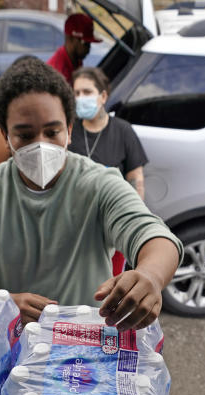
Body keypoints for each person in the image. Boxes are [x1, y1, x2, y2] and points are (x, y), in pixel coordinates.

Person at [0, 58, 182, 331]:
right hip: (12, 337)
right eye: (24, 135)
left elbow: (154, 235)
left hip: (86, 339)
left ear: (69, 130)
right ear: (5, 136)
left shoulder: (99, 184)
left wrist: (150, 276)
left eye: (52, 131)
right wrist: (4, 304)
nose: (40, 145)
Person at [0, 15, 100, 166]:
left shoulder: (76, 62)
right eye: (86, 44)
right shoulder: (56, 75)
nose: (88, 49)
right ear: (72, 39)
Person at [69, 66, 148, 275]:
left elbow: (135, 179)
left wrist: (130, 221)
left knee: (108, 285)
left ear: (103, 96)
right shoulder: (69, 130)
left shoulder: (122, 131)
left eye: (86, 92)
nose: (80, 98)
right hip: (72, 227)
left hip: (110, 226)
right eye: (76, 93)